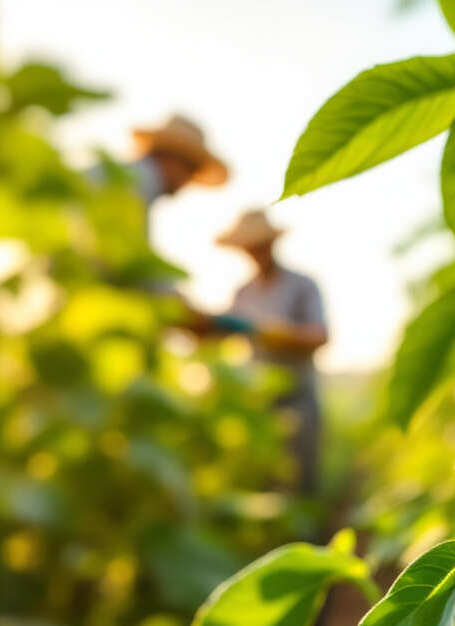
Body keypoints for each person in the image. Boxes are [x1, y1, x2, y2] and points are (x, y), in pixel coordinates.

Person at [201, 210, 328, 493]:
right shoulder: (243, 293)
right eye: (250, 248)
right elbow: (221, 331)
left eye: (260, 246)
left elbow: (320, 336)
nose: (256, 253)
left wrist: (281, 334)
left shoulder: (301, 286)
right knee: (264, 480)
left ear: (271, 244)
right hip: (259, 401)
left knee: (301, 478)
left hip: (298, 396)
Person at [124, 114, 228, 207]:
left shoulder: (138, 178)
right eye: (190, 169)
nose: (187, 180)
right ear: (172, 155)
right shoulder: (143, 182)